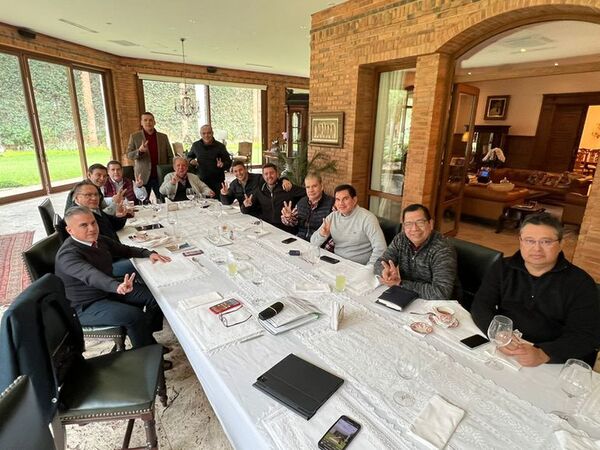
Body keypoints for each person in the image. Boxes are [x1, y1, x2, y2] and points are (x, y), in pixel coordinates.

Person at [471, 213, 600, 367]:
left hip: (549, 359)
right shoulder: (502, 268)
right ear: (520, 241)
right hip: (503, 346)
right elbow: (481, 305)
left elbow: (586, 335)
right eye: (530, 241)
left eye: (546, 242)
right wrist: (497, 334)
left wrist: (544, 353)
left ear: (561, 244)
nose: (537, 248)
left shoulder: (580, 283)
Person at [55, 206, 172, 349]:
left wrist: (148, 253)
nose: (92, 228)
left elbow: (125, 249)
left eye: (93, 223)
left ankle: (145, 336)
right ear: (70, 230)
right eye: (84, 225)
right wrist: (116, 286)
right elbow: (91, 274)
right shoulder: (68, 255)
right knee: (135, 316)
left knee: (157, 296)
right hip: (85, 305)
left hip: (108, 291)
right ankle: (147, 350)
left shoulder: (99, 240)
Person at [374, 204, 458, 299]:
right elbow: (379, 263)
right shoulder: (401, 239)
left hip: (439, 305)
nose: (414, 228)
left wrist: (400, 283)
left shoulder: (443, 249)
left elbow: (441, 293)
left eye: (420, 222)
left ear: (430, 224)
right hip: (409, 295)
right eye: (408, 224)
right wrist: (385, 272)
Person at [57, 181, 134, 277]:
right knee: (143, 265)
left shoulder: (92, 210)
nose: (94, 198)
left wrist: (120, 216)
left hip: (113, 254)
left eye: (96, 194)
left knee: (146, 254)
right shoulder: (76, 217)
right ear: (77, 198)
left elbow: (113, 225)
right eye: (88, 195)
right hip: (101, 267)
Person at [311, 184, 386, 266]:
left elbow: (381, 248)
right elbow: (313, 242)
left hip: (358, 266)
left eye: (345, 199)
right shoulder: (332, 217)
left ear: (354, 200)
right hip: (337, 263)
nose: (341, 203)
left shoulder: (367, 218)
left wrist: (368, 268)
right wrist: (322, 234)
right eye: (338, 199)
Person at [242, 163, 305, 232]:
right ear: (263, 176)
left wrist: (297, 209)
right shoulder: (259, 190)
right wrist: (246, 206)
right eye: (266, 174)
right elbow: (244, 211)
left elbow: (307, 193)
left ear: (277, 174)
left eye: (272, 173)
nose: (269, 176)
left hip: (286, 229)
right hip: (267, 228)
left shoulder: (287, 187)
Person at [127, 112, 174, 200]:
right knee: (143, 201)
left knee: (164, 200)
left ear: (154, 122)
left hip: (161, 176)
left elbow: (170, 156)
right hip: (143, 176)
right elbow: (129, 155)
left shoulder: (163, 137)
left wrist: (169, 172)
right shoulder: (134, 137)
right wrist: (140, 151)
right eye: (145, 120)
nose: (148, 122)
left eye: (150, 120)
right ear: (141, 122)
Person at [220, 160, 292, 213]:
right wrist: (224, 195)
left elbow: (272, 180)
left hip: (260, 213)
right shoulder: (234, 184)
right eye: (235, 171)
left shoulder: (258, 178)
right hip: (245, 212)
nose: (239, 173)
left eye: (240, 170)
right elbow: (227, 202)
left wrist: (284, 179)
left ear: (245, 169)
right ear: (233, 173)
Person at [281, 172, 334, 241]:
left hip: (319, 244)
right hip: (300, 241)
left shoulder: (331, 204)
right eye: (308, 187)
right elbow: (294, 222)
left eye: (314, 186)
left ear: (322, 187)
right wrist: (288, 218)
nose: (311, 190)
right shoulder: (301, 202)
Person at [187, 124, 232, 195]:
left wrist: (223, 164)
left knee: (218, 204)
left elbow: (229, 163)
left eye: (209, 133)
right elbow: (188, 157)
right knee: (202, 204)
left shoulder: (220, 146)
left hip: (217, 181)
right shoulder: (196, 145)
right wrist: (190, 160)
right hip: (201, 180)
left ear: (212, 133)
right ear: (200, 134)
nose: (206, 135)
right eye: (203, 133)